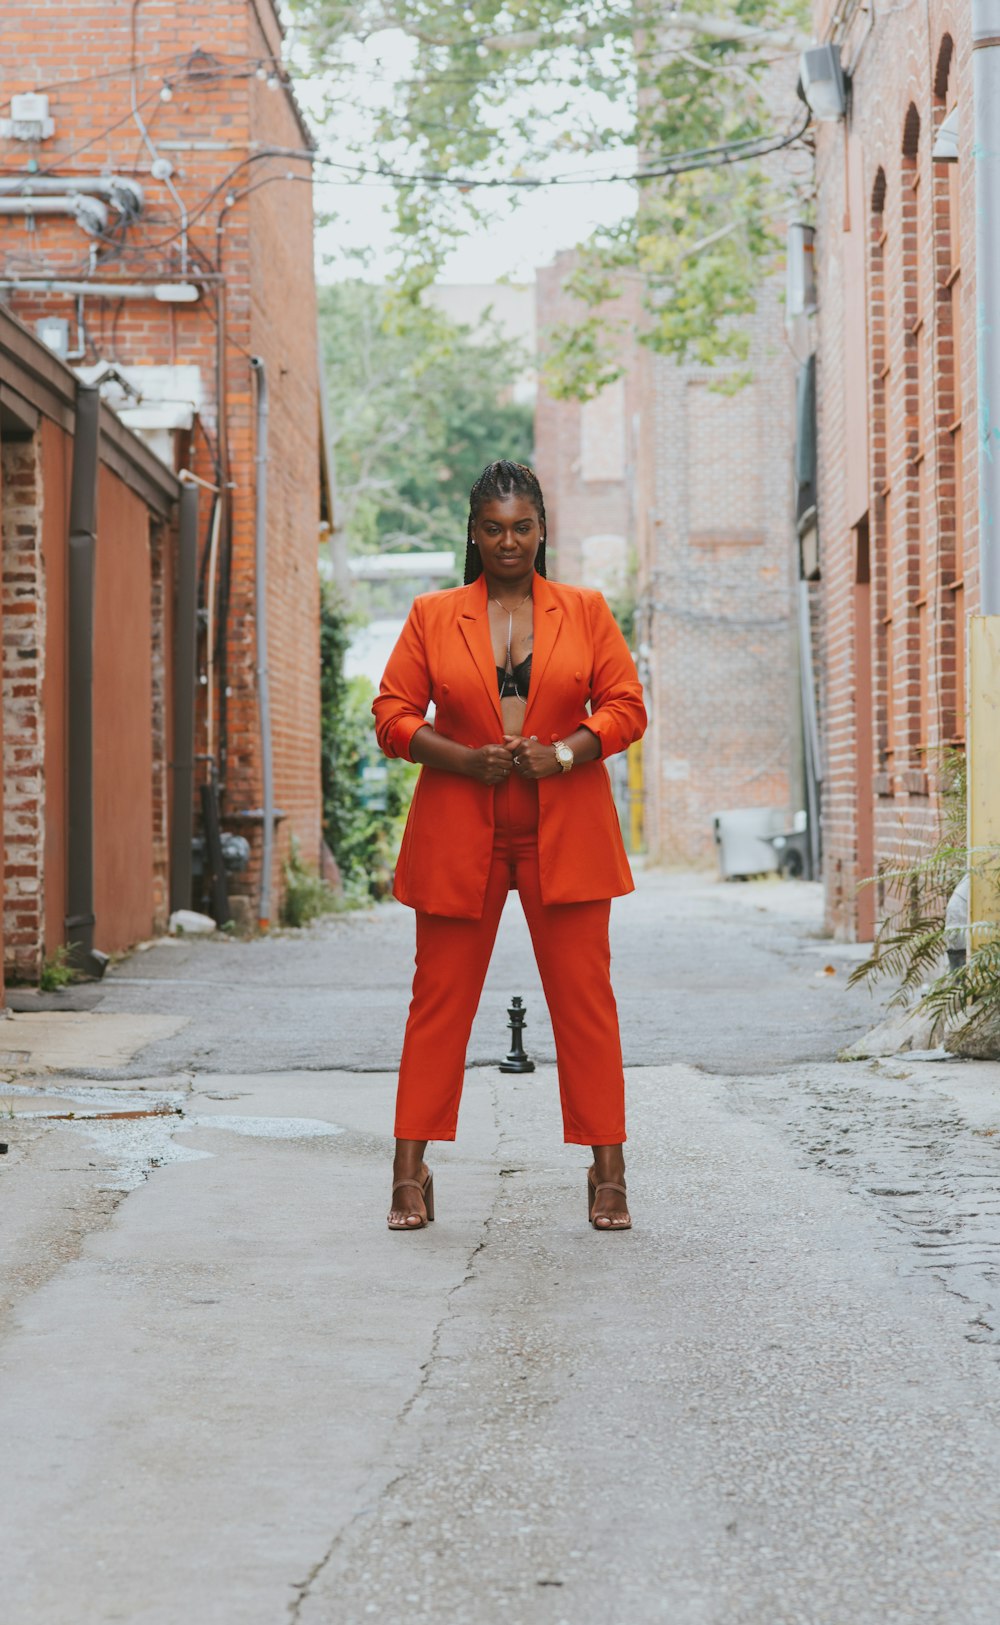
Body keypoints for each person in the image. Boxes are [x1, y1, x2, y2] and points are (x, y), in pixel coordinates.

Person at [373, 460, 647, 1233]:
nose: (507, 541)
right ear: (472, 531)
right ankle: (407, 1173)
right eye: (492, 528)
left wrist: (564, 753)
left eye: (522, 527)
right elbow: (392, 713)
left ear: (542, 530)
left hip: (567, 833)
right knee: (438, 1003)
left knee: (586, 1004)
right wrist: (463, 757)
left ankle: (609, 1172)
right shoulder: (433, 614)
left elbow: (626, 706)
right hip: (461, 833)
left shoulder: (585, 609)